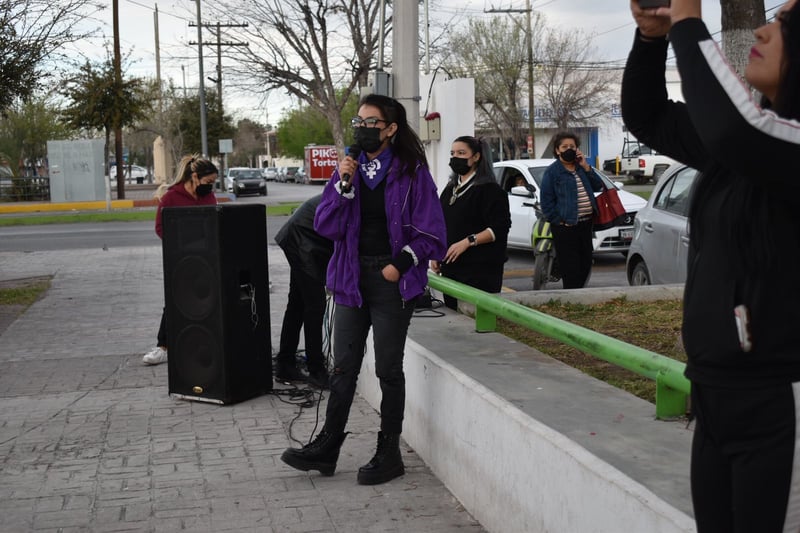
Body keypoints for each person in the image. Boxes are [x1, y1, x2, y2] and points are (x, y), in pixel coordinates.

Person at [621, 0, 800, 531]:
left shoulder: (774, 144)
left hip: (779, 401)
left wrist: (689, 21)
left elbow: (731, 129)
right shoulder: (745, 142)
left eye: (785, 25)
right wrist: (652, 36)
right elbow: (648, 115)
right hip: (716, 396)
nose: (764, 28)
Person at [280, 94, 447, 485]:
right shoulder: (350, 172)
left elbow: (432, 232)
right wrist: (342, 185)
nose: (363, 128)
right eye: (359, 121)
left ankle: (388, 452)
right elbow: (326, 226)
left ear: (390, 129)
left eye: (372, 122)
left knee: (388, 369)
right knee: (342, 367)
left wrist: (400, 264)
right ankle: (327, 446)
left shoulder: (411, 173)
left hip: (391, 281)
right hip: (350, 278)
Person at [142, 155, 219, 365]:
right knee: (175, 302)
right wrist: (182, 243)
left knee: (206, 301)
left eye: (213, 183)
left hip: (205, 261)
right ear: (195, 177)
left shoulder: (209, 198)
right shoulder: (171, 198)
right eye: (208, 182)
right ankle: (162, 347)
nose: (211, 187)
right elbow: (160, 228)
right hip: (179, 261)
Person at [430, 135, 511, 310]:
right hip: (452, 268)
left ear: (476, 157)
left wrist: (468, 242)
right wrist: (437, 252)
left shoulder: (490, 190)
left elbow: (500, 227)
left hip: (480, 270)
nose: (455, 157)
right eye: (452, 153)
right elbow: (441, 222)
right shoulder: (451, 188)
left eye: (461, 153)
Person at [273, 194, 333, 389]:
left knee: (297, 305)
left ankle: (285, 363)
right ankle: (316, 370)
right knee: (314, 307)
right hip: (303, 240)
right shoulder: (354, 190)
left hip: (301, 236)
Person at [539, 131, 603, 289]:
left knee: (585, 263)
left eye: (572, 146)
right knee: (570, 268)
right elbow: (546, 202)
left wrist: (586, 166)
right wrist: (560, 221)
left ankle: (578, 296)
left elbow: (598, 185)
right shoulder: (552, 172)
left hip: (586, 224)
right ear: (557, 150)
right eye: (564, 146)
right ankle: (572, 299)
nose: (569, 149)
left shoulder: (581, 168)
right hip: (565, 228)